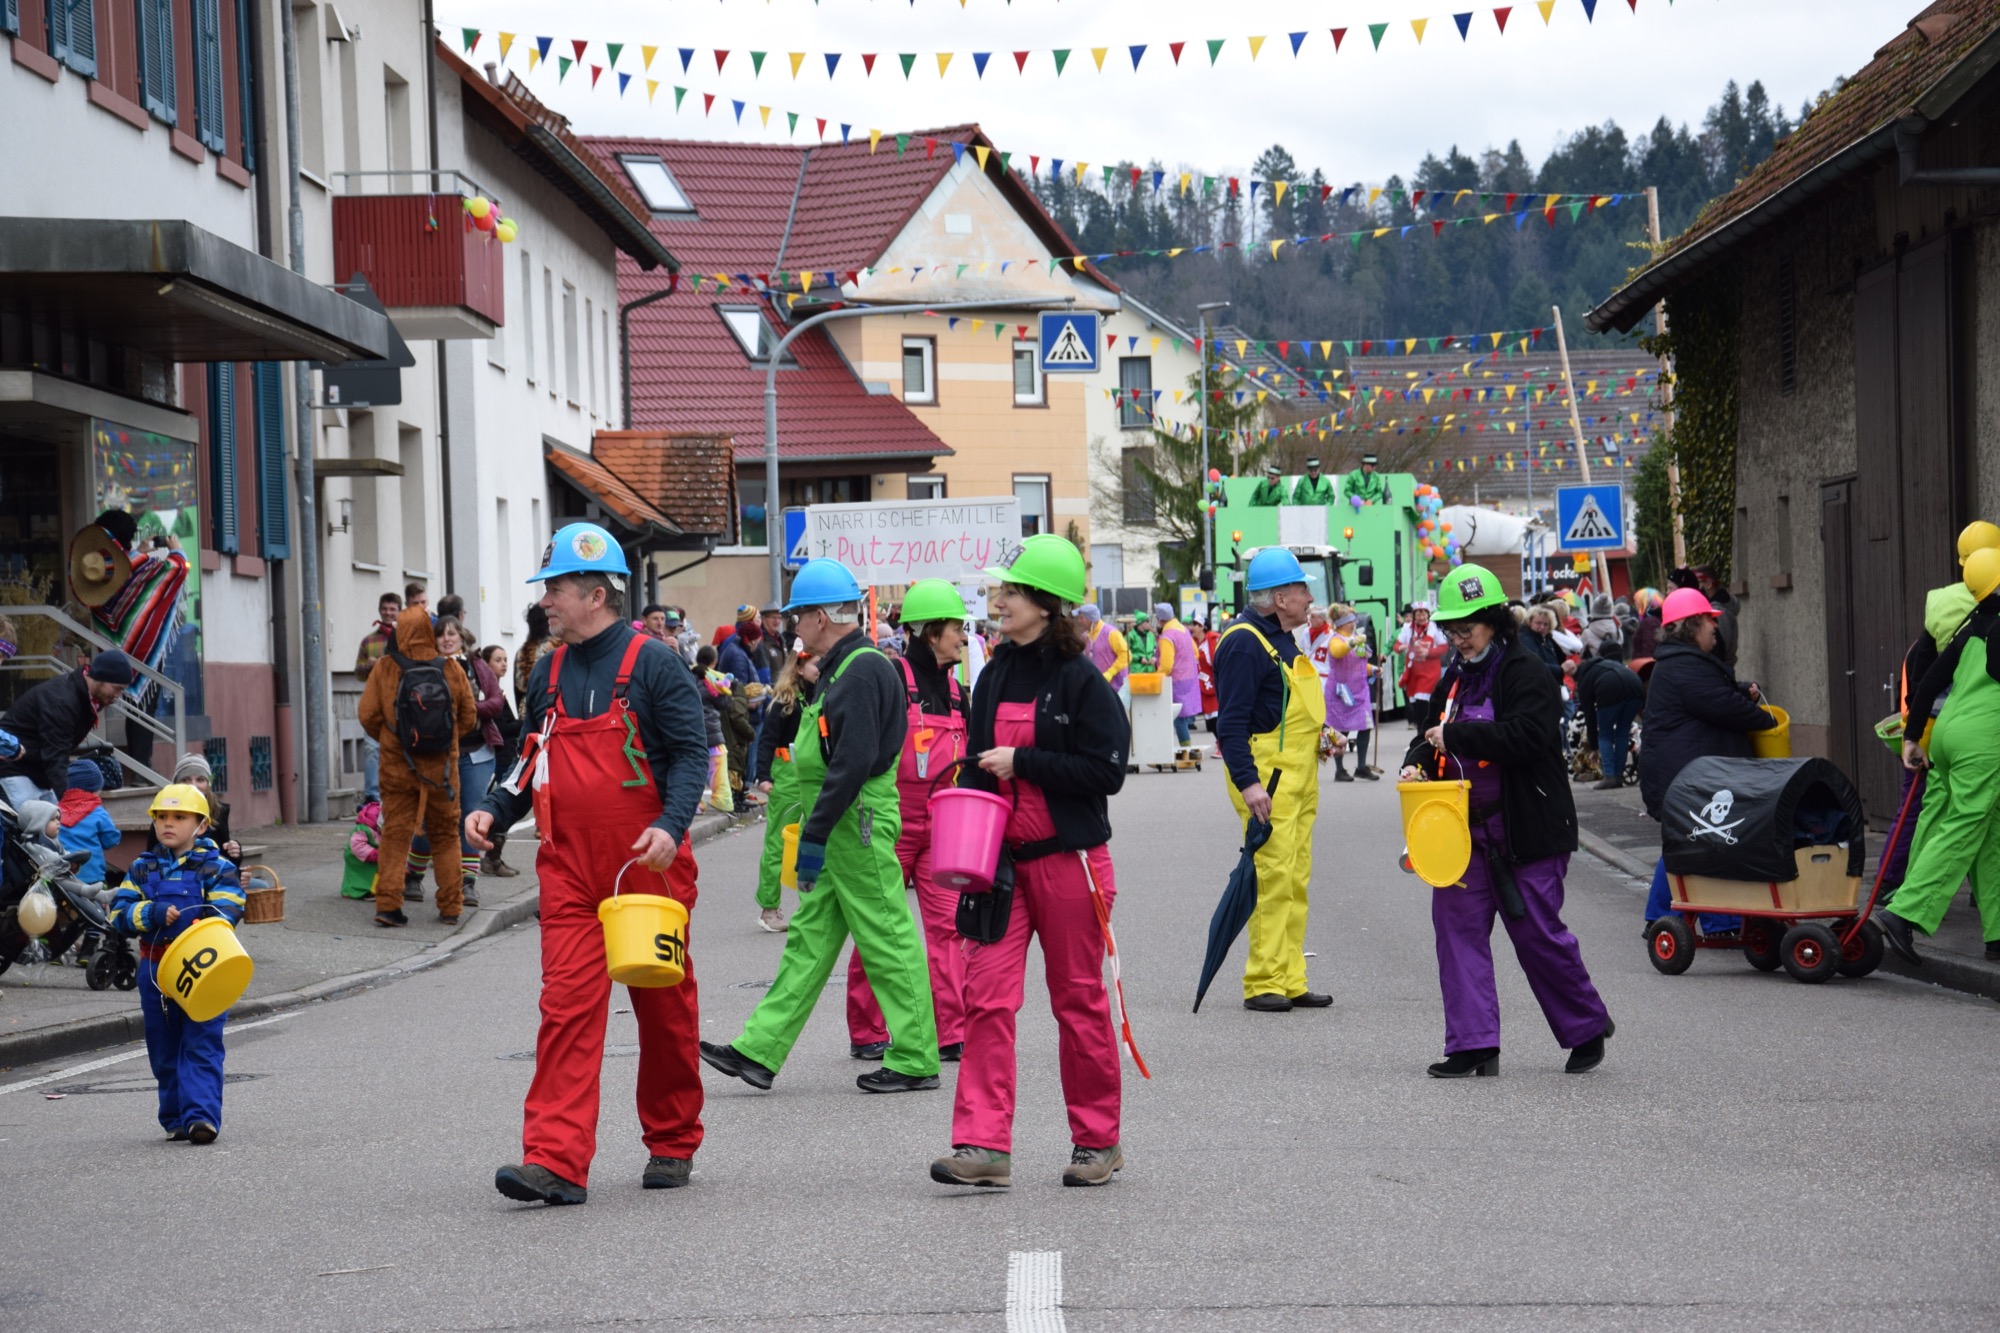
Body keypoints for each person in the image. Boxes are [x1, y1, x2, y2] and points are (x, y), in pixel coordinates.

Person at [466, 521, 711, 1206]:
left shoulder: (655, 663)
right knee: (566, 1008)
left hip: (647, 865)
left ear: (595, 592)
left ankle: (672, 1136)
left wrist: (671, 824)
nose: (545, 599)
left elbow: (692, 754)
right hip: (569, 867)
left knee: (663, 1007)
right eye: (545, 588)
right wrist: (494, 806)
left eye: (555, 587)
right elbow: (527, 754)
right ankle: (554, 1159)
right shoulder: (547, 670)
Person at [930, 535, 1132, 1189]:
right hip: (1003, 869)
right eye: (997, 590)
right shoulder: (992, 676)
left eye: (1009, 591)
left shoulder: (1082, 681)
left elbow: (1106, 770)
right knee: (985, 997)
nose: (996, 601)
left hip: (1070, 862)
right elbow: (984, 767)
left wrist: (1026, 763)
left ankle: (1097, 1141)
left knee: (1079, 1000)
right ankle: (983, 1144)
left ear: (1046, 603)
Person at [699, 558, 938, 1096]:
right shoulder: (846, 666)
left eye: (799, 614)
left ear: (825, 616)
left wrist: (816, 832)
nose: (791, 625)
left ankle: (917, 1054)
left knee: (886, 935)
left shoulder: (859, 669)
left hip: (854, 818)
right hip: (843, 818)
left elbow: (851, 763)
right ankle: (759, 1049)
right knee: (810, 940)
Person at [1399, 565, 1611, 1078]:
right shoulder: (1455, 675)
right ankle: (1473, 1045)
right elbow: (1430, 733)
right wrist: (1416, 760)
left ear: (1494, 621)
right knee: (1457, 930)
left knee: (1537, 933)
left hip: (1527, 831)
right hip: (1462, 835)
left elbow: (1527, 737)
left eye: (1465, 630)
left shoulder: (1526, 670)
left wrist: (1459, 739)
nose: (1457, 640)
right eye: (1451, 631)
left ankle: (1585, 1029)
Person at [847, 580, 973, 1064]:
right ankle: (867, 1028)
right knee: (880, 926)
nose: (962, 636)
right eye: (955, 628)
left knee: (948, 929)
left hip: (943, 827)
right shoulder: (892, 677)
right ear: (927, 632)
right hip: (890, 822)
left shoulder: (961, 692)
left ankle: (948, 1031)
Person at [1213, 549, 1334, 1012]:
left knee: (1295, 877)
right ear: (1280, 598)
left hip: (1298, 773)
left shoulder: (1280, 637)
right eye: (1302, 589)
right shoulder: (1244, 642)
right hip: (1268, 778)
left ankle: (1290, 977)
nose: (1309, 598)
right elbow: (1231, 724)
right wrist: (1248, 784)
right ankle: (1263, 981)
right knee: (1271, 876)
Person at [1876, 548, 2000, 966]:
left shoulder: (1972, 625)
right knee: (1965, 824)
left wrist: (1913, 739)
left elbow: (1928, 679)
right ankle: (1904, 911)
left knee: (1990, 831)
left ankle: (1998, 935)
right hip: (1985, 738)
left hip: (1947, 734)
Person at [105, 783, 244, 1144]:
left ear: (200, 825)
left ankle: (201, 1118)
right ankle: (175, 1118)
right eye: (161, 817)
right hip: (154, 972)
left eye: (179, 817)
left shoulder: (215, 866)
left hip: (203, 969)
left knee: (202, 1043)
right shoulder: (140, 868)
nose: (168, 824)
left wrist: (208, 922)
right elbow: (118, 913)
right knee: (163, 1048)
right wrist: (148, 913)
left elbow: (230, 905)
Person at [1636, 587, 1775, 935]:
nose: (1716, 628)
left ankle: (1660, 918)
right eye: (1709, 622)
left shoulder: (1681, 664)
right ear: (1692, 626)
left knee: (1686, 839)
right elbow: (1721, 705)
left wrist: (1741, 690)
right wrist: (1764, 719)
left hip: (1681, 774)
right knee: (1708, 840)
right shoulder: (1686, 667)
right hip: (1688, 778)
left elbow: (1713, 695)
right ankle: (1720, 923)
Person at [358, 606, 477, 928]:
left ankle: (388, 906)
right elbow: (468, 717)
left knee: (395, 836)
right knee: (445, 836)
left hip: (397, 770)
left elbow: (367, 716)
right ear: (429, 630)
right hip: (441, 772)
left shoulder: (384, 668)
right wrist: (443, 742)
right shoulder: (450, 669)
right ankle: (451, 907)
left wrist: (393, 741)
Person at [408, 618, 504, 910]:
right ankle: (412, 876)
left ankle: (468, 883)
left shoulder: (477, 667)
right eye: (441, 635)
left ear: (462, 638)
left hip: (475, 753)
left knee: (470, 817)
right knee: (430, 818)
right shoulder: (423, 667)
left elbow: (497, 702)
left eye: (452, 634)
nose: (447, 639)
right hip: (435, 754)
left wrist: (469, 708)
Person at [0, 650, 134, 809]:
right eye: (116, 688)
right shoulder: (63, 701)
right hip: (13, 769)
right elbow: (56, 756)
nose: (118, 695)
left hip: (35, 770)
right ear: (100, 678)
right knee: (33, 826)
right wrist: (72, 806)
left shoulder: (85, 695)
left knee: (51, 825)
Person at [751, 649, 819, 933]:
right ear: (800, 668)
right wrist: (763, 776)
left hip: (814, 776)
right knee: (779, 843)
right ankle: (769, 909)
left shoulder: (823, 696)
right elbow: (766, 740)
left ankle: (812, 907)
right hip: (787, 775)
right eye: (817, 663)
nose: (822, 668)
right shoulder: (785, 701)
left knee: (813, 840)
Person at [1573, 642, 1646, 790]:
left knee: (1605, 735)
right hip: (1635, 687)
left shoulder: (1584, 678)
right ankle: (1618, 776)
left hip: (1609, 689)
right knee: (1622, 732)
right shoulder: (1605, 665)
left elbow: (1590, 715)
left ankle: (1610, 776)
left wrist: (1593, 747)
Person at [353, 591, 404, 803]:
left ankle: (399, 793)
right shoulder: (369, 641)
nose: (388, 613)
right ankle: (373, 796)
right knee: (372, 748)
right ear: (379, 610)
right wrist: (369, 665)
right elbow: (358, 673)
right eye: (385, 609)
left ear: (400, 612)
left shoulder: (405, 639)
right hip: (376, 702)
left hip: (401, 703)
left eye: (393, 609)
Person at [150, 752, 239, 862]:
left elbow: (224, 859)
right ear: (176, 784)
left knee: (258, 881)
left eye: (200, 780)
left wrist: (235, 852)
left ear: (208, 784)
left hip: (212, 875)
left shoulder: (219, 811)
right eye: (186, 780)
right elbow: (152, 856)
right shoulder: (164, 813)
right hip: (173, 874)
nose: (193, 786)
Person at [1324, 606, 1379, 782]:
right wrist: (1351, 643)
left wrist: (1373, 670)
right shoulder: (1336, 639)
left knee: (1366, 725)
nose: (1354, 622)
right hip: (1340, 692)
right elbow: (1337, 651)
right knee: (1340, 730)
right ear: (1342, 623)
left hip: (1359, 691)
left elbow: (1360, 665)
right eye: (1350, 620)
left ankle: (1361, 767)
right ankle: (1339, 770)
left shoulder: (1356, 638)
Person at [57, 759, 120, 887]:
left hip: (62, 876)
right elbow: (110, 840)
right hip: (93, 878)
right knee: (99, 905)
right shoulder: (98, 812)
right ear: (95, 789)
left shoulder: (55, 811)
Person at [1156, 602, 1201, 749]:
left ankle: (1184, 750)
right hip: (1188, 679)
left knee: (1177, 717)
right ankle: (1186, 749)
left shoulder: (1167, 636)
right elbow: (1196, 653)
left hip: (1175, 681)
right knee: (1180, 716)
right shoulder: (1183, 630)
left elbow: (1166, 666)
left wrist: (1156, 678)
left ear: (1160, 619)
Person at [1076, 603, 1130, 710]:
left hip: (1116, 688)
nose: (1079, 621)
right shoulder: (1085, 637)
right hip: (1097, 687)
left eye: (1081, 618)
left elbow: (1126, 655)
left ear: (1090, 619)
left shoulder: (1111, 633)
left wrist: (1110, 672)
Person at [1395, 605, 1447, 715]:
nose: (1421, 617)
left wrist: (1429, 652)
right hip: (1412, 673)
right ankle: (1422, 728)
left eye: (1424, 614)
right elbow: (1396, 645)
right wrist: (1402, 647)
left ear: (1428, 615)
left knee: (1422, 702)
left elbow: (1444, 647)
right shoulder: (1407, 628)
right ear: (1414, 616)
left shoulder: (1434, 627)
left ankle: (1424, 729)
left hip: (1430, 672)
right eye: (1418, 614)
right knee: (1416, 705)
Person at [341, 798, 383, 901]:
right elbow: (356, 845)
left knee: (375, 874)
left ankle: (374, 890)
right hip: (357, 857)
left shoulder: (380, 828)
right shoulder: (364, 828)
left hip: (374, 855)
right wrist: (374, 854)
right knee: (360, 875)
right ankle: (360, 891)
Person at [515, 603, 554, 713]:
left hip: (528, 708)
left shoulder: (523, 651)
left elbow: (519, 689)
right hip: (553, 707)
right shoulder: (559, 647)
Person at [1581, 594, 1624, 658]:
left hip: (1596, 667)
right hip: (1615, 666)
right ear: (1610, 609)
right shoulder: (1618, 631)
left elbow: (1581, 654)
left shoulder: (1586, 633)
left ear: (1594, 608)